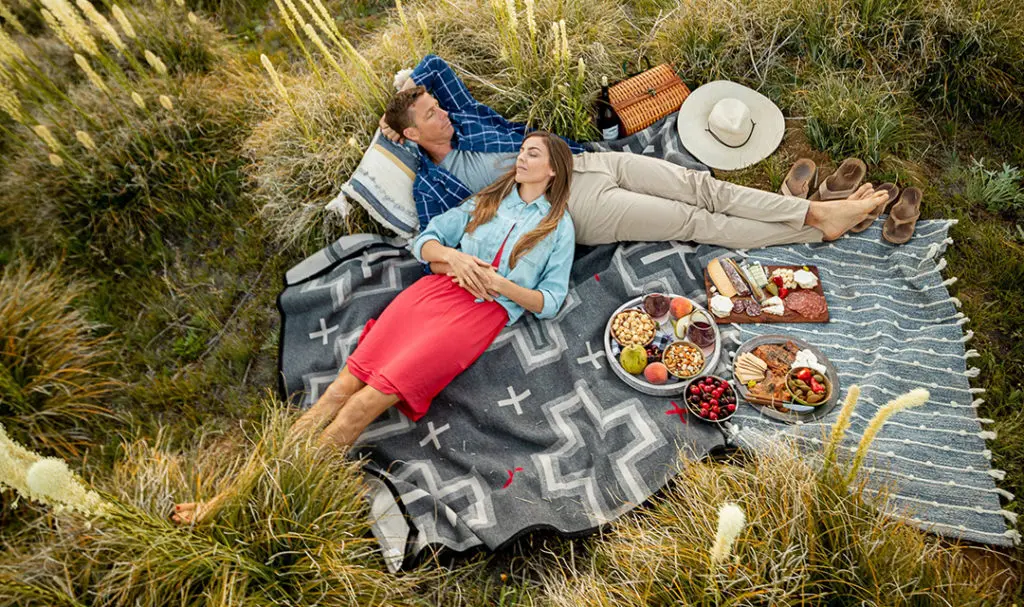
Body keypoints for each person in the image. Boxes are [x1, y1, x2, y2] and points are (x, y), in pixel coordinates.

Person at [172, 131, 575, 525]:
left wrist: (503, 286)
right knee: (337, 391)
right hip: (430, 296)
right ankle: (228, 495)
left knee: (362, 407)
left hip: (474, 317)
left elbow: (550, 301)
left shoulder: (558, 228)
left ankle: (241, 506)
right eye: (522, 151)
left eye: (533, 154)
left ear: (553, 170)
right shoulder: (489, 199)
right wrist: (455, 259)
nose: (521, 158)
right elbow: (426, 241)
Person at [380, 54, 890, 251]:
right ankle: (814, 224)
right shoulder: (432, 185)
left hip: (589, 161)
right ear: (411, 136)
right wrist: (392, 137)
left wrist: (402, 99)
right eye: (428, 115)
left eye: (436, 107)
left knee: (701, 186)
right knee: (693, 222)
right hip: (570, 208)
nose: (441, 114)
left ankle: (817, 212)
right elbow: (433, 239)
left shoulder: (467, 124)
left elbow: (435, 67)